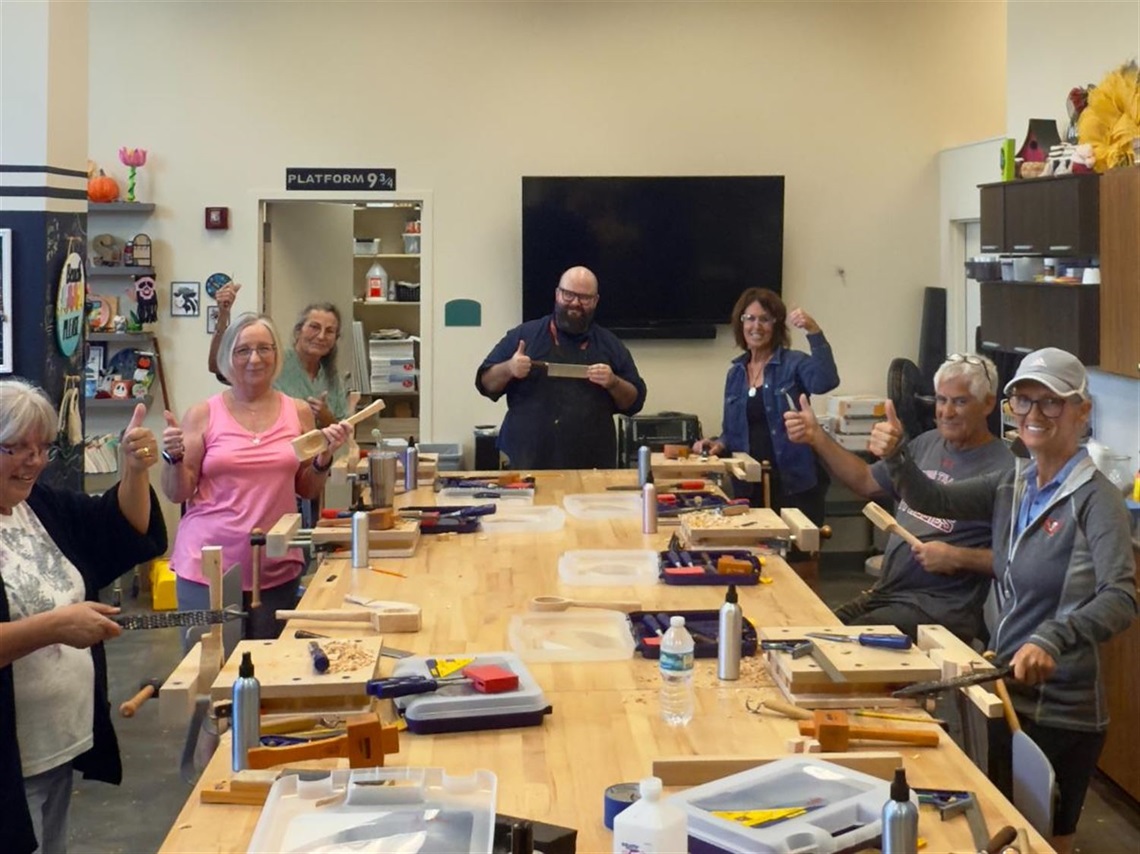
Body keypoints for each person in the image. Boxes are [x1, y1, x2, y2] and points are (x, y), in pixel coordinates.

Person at [869, 347, 1136, 853]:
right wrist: (897, 455)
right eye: (1024, 401)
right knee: (994, 833)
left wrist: (1054, 637)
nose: (1034, 415)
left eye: (1051, 403)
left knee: (1041, 845)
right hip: (1004, 690)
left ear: (1082, 411)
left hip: (1062, 711)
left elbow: (1121, 596)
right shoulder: (1013, 481)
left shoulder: (1095, 499)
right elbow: (935, 500)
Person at [0, 380, 167, 854]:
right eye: (17, 448)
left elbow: (116, 529)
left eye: (42, 448)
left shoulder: (36, 505)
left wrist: (133, 471)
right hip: (10, 762)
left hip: (55, 744)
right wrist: (55, 626)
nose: (34, 461)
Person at [784, 353, 1013, 642]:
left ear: (989, 403)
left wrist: (958, 557)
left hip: (938, 609)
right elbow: (866, 481)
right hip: (887, 594)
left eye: (960, 401)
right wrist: (817, 436)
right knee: (808, 634)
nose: (947, 412)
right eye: (941, 400)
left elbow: (1016, 561)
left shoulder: (1005, 470)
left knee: (840, 644)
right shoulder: (927, 443)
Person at [164, 313, 352, 640]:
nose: (255, 358)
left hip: (275, 565)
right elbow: (178, 492)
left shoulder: (298, 411)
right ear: (227, 358)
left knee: (269, 669)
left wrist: (324, 458)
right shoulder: (202, 414)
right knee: (208, 671)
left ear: (277, 356)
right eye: (243, 350)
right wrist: (173, 456)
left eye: (265, 349)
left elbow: (306, 489)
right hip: (207, 567)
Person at [475, 266, 647, 469]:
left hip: (592, 465)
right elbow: (485, 384)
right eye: (569, 295)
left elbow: (634, 401)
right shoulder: (524, 335)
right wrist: (509, 368)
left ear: (595, 301)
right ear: (557, 294)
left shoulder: (610, 345)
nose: (575, 303)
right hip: (526, 461)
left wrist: (613, 382)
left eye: (585, 298)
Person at [696, 288, 839, 525]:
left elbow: (826, 381)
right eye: (749, 318)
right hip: (749, 487)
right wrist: (718, 443)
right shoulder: (735, 374)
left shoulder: (794, 363)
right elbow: (732, 432)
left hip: (793, 485)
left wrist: (813, 331)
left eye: (765, 319)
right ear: (740, 324)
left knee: (796, 558)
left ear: (777, 325)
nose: (756, 326)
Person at [208, 283, 349, 426]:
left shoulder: (332, 378)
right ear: (298, 331)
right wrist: (223, 315)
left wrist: (325, 416)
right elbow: (217, 366)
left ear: (336, 339)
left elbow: (344, 434)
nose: (321, 336)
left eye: (330, 331)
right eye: (314, 327)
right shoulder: (273, 360)